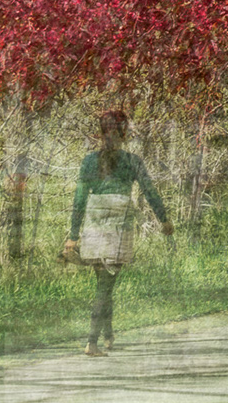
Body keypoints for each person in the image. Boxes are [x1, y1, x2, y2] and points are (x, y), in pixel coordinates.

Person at [61, 109, 172, 356]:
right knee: (105, 285)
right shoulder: (133, 161)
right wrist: (164, 220)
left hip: (94, 221)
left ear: (100, 133)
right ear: (125, 133)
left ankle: (108, 335)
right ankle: (92, 342)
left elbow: (79, 198)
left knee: (104, 281)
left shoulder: (89, 161)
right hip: (119, 225)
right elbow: (150, 191)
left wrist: (73, 234)